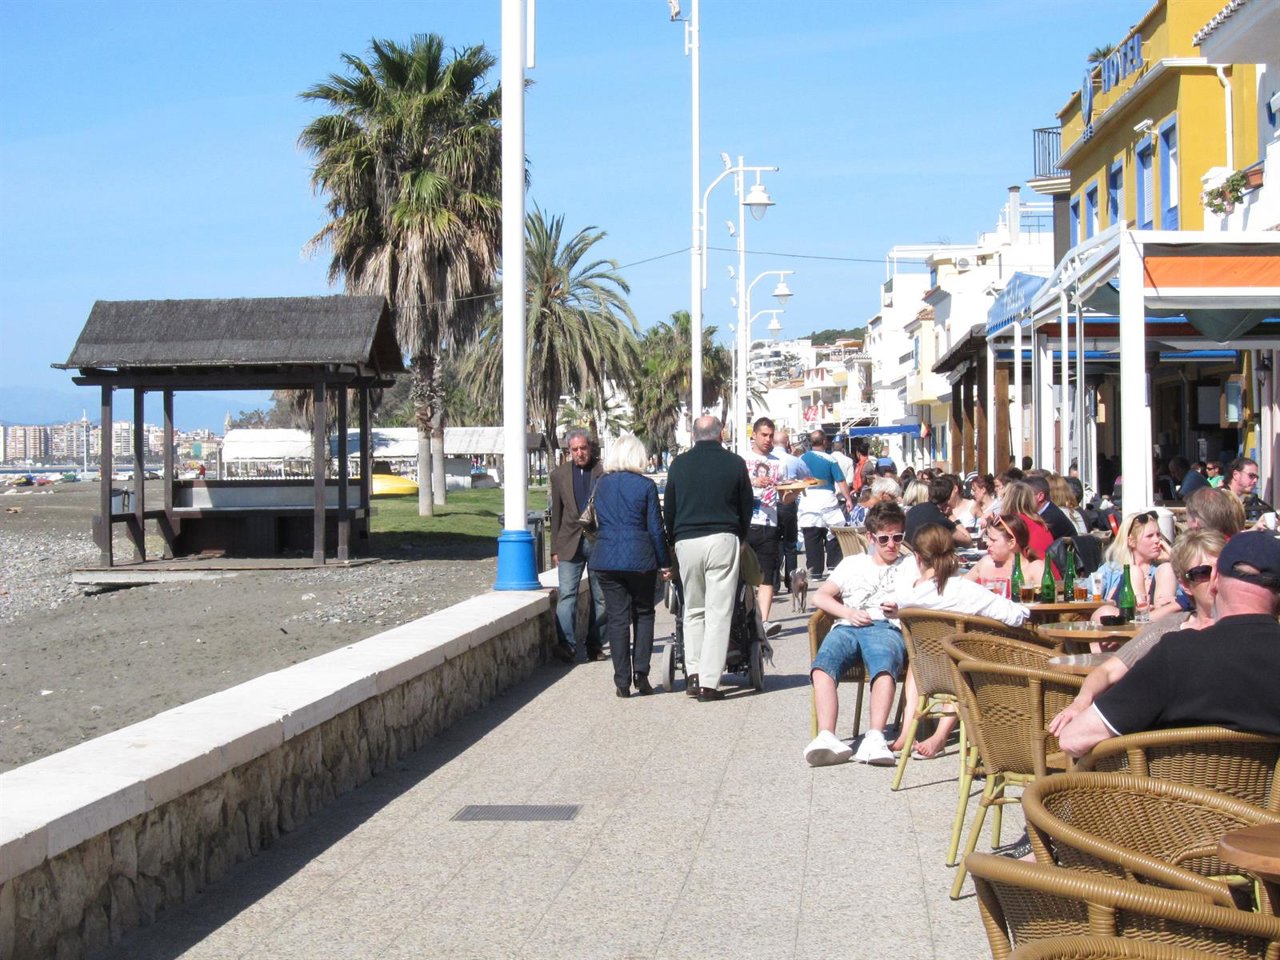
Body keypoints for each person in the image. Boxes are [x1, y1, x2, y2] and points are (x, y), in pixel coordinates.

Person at [1059, 529, 1280, 757]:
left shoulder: (1176, 654)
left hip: (1166, 790)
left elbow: (1073, 739)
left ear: (1216, 579)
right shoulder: (1173, 638)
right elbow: (1108, 671)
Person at [1048, 529, 1224, 738]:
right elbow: (1106, 672)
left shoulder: (1250, 630)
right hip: (1165, 754)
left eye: (1223, 570)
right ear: (1185, 584)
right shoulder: (1168, 628)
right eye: (1203, 573)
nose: (1215, 580)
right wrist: (1081, 702)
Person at [892, 523, 1031, 758]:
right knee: (962, 651)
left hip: (927, 670)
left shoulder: (908, 596)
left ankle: (908, 731)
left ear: (917, 558)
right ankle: (941, 735)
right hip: (966, 668)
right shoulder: (963, 590)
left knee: (922, 655)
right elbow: (1017, 616)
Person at [804, 502, 918, 766]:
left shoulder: (910, 564)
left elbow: (925, 598)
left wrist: (900, 610)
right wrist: (847, 612)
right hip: (848, 624)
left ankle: (875, 736)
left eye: (898, 537)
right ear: (870, 537)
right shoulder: (853, 563)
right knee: (823, 665)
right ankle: (827, 735)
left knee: (883, 665)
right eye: (885, 538)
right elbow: (818, 597)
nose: (892, 544)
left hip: (886, 626)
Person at [663, 416, 754, 702]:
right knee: (718, 612)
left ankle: (692, 672)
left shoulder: (678, 465)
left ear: (693, 435)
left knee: (692, 609)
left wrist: (673, 542)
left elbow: (670, 508)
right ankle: (709, 682)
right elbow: (746, 505)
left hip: (686, 540)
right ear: (721, 434)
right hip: (722, 538)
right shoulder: (735, 463)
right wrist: (740, 535)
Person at [589, 434, 671, 698]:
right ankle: (641, 674)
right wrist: (664, 562)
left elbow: (592, 518)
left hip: (606, 557)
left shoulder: (601, 484)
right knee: (644, 613)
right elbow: (656, 530)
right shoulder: (645, 486)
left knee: (617, 617)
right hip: (639, 559)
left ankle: (621, 682)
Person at [548, 429, 606, 663]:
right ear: (568, 451)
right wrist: (554, 548)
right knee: (567, 595)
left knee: (601, 598)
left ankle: (595, 645)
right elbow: (557, 515)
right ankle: (567, 645)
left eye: (583, 448)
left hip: (598, 542)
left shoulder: (604, 472)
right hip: (569, 543)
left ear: (590, 447)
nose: (580, 453)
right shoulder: (559, 475)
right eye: (575, 450)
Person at [742, 417, 798, 637]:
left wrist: (797, 491)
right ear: (754, 435)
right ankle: (742, 618)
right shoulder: (741, 460)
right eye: (764, 435)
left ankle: (764, 621)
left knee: (767, 574)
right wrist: (753, 482)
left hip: (769, 523)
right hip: (746, 523)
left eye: (771, 435)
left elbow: (784, 497)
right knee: (742, 575)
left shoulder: (779, 462)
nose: (768, 440)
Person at [1088, 511, 1178, 621]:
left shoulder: (1162, 570)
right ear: (1131, 541)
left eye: (1158, 535)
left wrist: (1174, 560)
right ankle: (1139, 611)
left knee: (1167, 569)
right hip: (1121, 621)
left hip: (1155, 624)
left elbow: (1189, 594)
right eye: (1150, 536)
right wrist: (1107, 601)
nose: (1157, 540)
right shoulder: (1112, 569)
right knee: (1132, 571)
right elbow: (1085, 594)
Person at [799, 430, 851, 579]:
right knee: (835, 532)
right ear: (824, 442)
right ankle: (833, 566)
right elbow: (840, 481)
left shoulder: (802, 459)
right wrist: (848, 499)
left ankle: (814, 571)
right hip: (827, 498)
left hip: (807, 499)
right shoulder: (830, 460)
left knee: (812, 535)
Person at [964, 514, 1044, 594]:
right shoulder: (986, 563)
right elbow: (959, 589)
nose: (987, 543)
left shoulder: (1034, 569)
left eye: (993, 540)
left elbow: (1048, 602)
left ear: (1011, 543)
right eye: (988, 538)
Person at [772, 428, 808, 593]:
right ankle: (791, 582)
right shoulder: (793, 460)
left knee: (774, 544)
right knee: (790, 545)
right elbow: (808, 476)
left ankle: (773, 583)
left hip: (772, 505)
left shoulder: (769, 460)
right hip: (788, 504)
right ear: (787, 443)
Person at [904, 475, 972, 549]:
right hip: (927, 557)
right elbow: (967, 541)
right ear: (948, 499)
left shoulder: (913, 510)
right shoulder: (939, 520)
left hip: (910, 554)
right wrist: (951, 516)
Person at [1000, 480, 1054, 569]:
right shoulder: (1038, 521)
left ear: (1007, 500)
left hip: (1032, 573)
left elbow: (1001, 554)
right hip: (1049, 573)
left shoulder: (1013, 523)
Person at [1024, 473, 1077, 541]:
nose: (1022, 499)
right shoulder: (1048, 510)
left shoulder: (1049, 519)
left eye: (1025, 495)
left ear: (1040, 496)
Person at [1225, 456, 1274, 524]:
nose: (1255, 480)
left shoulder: (1245, 499)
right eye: (1251, 476)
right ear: (1235, 474)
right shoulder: (1220, 498)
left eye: (1256, 477)